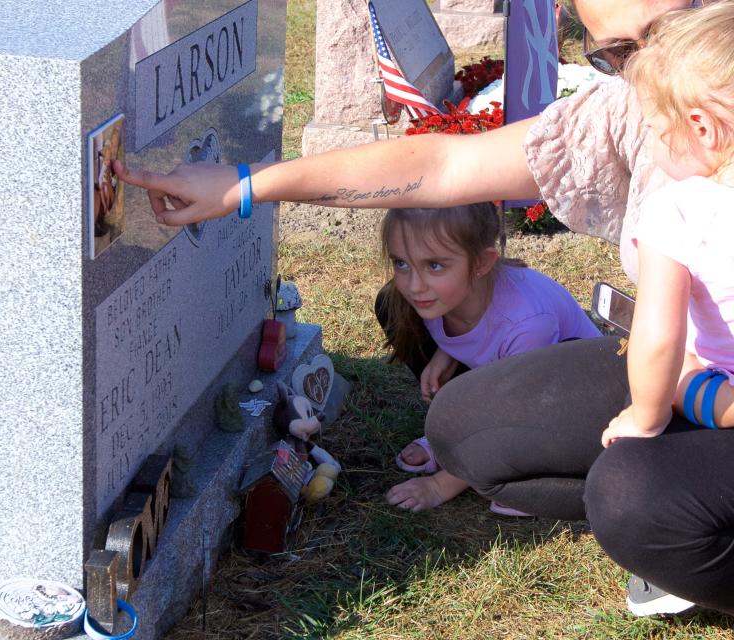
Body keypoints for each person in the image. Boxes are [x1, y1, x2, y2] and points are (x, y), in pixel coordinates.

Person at [115, 0, 734, 618]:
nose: (650, 67)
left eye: (665, 33)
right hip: (683, 366)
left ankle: (681, 518)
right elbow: (445, 164)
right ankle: (683, 493)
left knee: (630, 499)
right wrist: (245, 185)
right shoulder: (643, 104)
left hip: (702, 384)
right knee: (464, 429)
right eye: (617, 54)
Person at [378, 204, 600, 513]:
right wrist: (449, 352)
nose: (414, 285)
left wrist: (439, 486)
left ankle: (541, 473)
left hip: (573, 408)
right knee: (390, 304)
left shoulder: (526, 323)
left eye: (435, 265)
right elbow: (478, 333)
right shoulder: (437, 294)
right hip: (511, 383)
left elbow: (515, 414)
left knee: (510, 483)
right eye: (401, 263)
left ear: (482, 262)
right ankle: (461, 442)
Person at [602, 3, 734, 450]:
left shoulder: (677, 210)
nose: (653, 141)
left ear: (701, 127)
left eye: (655, 129)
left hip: (726, 387)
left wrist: (645, 416)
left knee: (679, 370)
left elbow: (658, 341)